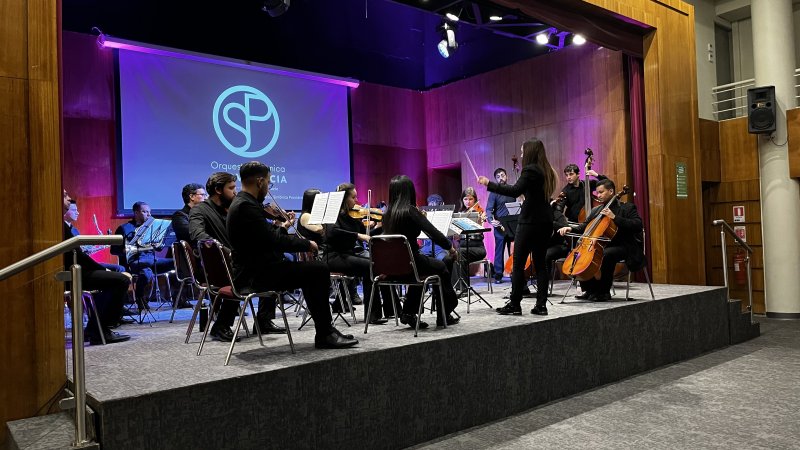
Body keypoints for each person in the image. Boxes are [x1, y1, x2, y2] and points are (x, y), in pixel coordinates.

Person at [226, 162, 357, 349]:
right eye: (269, 183)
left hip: (253, 270)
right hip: (254, 275)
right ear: (260, 181)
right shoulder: (246, 206)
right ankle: (325, 333)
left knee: (313, 270)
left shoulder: (242, 203)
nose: (268, 188)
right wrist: (306, 244)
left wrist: (280, 228)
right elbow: (273, 240)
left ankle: (325, 330)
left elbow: (265, 236)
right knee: (318, 270)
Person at [189, 172, 286, 338]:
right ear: (218, 190)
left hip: (239, 261)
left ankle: (263, 320)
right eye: (232, 188)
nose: (236, 192)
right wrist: (222, 249)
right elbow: (197, 234)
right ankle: (221, 325)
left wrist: (280, 226)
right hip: (219, 265)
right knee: (254, 270)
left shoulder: (237, 208)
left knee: (273, 261)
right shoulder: (200, 210)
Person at [478, 138, 557, 316]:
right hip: (545, 221)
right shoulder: (547, 171)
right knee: (541, 265)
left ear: (529, 152)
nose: (521, 155)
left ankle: (515, 304)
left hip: (529, 221)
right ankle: (541, 305)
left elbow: (514, 190)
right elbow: (529, 192)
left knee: (518, 262)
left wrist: (488, 184)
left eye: (522, 152)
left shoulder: (530, 170)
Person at [382, 175, 460, 328]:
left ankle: (409, 312)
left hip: (392, 267)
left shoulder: (386, 214)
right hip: (412, 263)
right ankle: (444, 314)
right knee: (442, 267)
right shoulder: (411, 211)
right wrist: (450, 248)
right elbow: (433, 232)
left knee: (422, 273)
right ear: (410, 192)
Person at [557, 179, 644, 301]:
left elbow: (638, 224)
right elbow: (584, 227)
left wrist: (615, 217)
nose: (598, 195)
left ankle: (604, 291)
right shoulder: (596, 210)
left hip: (624, 246)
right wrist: (569, 228)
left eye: (601, 192)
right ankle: (590, 289)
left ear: (611, 191)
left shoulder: (627, 208)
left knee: (606, 254)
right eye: (597, 193)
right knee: (585, 255)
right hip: (602, 245)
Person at [62, 190, 130, 344]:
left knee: (116, 278)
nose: (69, 197)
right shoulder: (58, 224)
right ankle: (100, 329)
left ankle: (96, 327)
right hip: (70, 272)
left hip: (76, 269)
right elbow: (77, 255)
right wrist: (101, 268)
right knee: (120, 280)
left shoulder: (62, 224)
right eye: (65, 195)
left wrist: (100, 268)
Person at [325, 183, 394, 324]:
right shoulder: (333, 214)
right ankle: (373, 315)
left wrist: (382, 226)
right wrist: (357, 235)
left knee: (373, 264)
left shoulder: (351, 218)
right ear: (343, 199)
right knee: (370, 266)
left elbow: (366, 234)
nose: (356, 201)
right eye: (353, 197)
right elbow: (333, 232)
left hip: (346, 255)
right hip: (333, 257)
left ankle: (375, 313)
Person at [110, 201, 175, 309]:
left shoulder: (153, 228)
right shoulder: (124, 228)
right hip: (134, 261)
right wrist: (127, 249)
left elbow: (159, 248)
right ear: (136, 213)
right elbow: (114, 250)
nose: (149, 215)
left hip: (152, 260)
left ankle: (179, 298)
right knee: (146, 271)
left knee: (177, 263)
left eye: (149, 212)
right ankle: (141, 298)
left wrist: (160, 243)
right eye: (145, 212)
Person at [63, 199, 126, 273]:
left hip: (83, 262)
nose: (77, 213)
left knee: (120, 268)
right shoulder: (64, 230)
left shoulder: (74, 230)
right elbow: (79, 253)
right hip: (78, 265)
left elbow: (84, 249)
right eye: (74, 210)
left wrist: (98, 245)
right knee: (118, 270)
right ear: (64, 211)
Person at [446, 187, 488, 290]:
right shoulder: (460, 214)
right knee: (449, 256)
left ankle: (463, 288)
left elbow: (480, 229)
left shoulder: (479, 211)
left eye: (470, 199)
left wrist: (479, 219)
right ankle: (452, 287)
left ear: (474, 200)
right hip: (463, 247)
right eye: (465, 199)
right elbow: (456, 236)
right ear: (462, 200)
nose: (468, 202)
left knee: (460, 253)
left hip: (477, 248)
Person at [485, 168, 517, 283]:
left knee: (513, 250)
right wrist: (491, 220)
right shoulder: (494, 193)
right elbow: (488, 210)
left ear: (507, 176)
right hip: (500, 226)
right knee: (499, 250)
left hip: (512, 225)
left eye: (502, 175)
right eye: (498, 177)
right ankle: (498, 275)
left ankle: (514, 272)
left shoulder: (512, 190)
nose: (501, 178)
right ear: (496, 179)